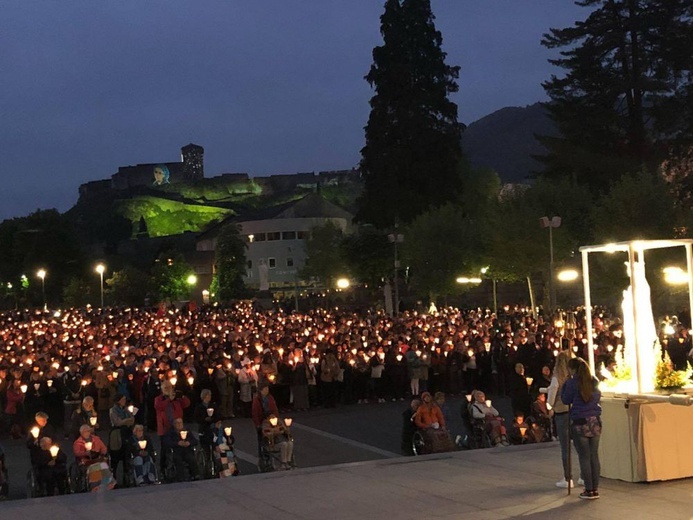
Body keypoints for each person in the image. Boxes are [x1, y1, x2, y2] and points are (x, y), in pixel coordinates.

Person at [561, 357, 602, 500]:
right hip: (595, 421)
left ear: (572, 369)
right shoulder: (594, 381)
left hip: (580, 421)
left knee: (584, 457)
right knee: (594, 456)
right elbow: (597, 397)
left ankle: (588, 489)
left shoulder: (573, 383)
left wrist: (566, 384)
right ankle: (595, 488)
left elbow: (566, 400)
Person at [547, 351, 582, 489]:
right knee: (579, 445)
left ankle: (568, 478)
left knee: (565, 447)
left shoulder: (557, 378)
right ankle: (584, 476)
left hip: (562, 412)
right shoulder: (574, 377)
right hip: (574, 411)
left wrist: (551, 405)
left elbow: (551, 397)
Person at [108, 393, 135, 484]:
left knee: (126, 455)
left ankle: (126, 477)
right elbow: (117, 422)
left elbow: (132, 420)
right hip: (116, 434)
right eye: (123, 399)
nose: (124, 401)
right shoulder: (113, 410)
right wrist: (126, 421)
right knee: (115, 455)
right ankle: (113, 478)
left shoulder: (126, 409)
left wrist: (126, 421)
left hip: (126, 433)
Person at [162, 417, 200, 482]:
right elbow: (167, 442)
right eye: (177, 423)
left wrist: (189, 443)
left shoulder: (187, 431)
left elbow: (195, 441)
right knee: (177, 459)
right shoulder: (170, 433)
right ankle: (180, 477)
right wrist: (177, 443)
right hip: (176, 450)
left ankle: (195, 475)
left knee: (191, 458)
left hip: (187, 450)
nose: (179, 424)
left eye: (180, 423)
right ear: (174, 424)